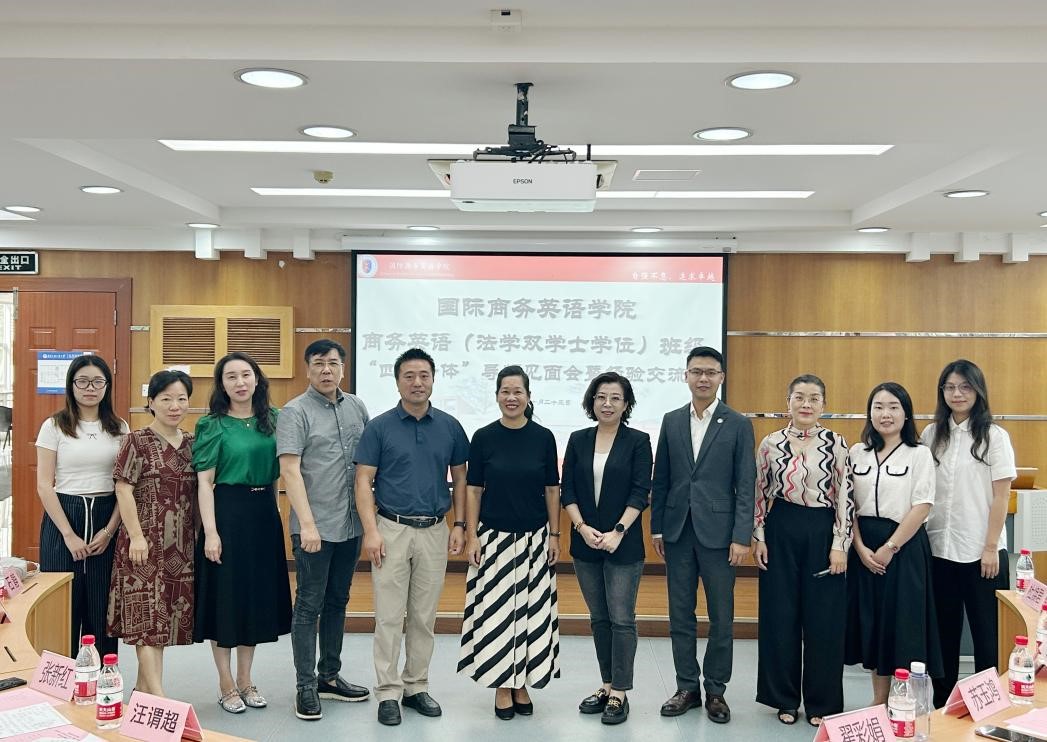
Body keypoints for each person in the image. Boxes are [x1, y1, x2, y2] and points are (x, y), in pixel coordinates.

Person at [354, 347, 469, 727]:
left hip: (435, 530)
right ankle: (388, 692)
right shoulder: (380, 427)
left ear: (433, 379)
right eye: (409, 376)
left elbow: (461, 479)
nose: (417, 382)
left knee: (423, 616)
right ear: (397, 381)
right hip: (391, 529)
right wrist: (371, 531)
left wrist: (460, 524)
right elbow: (363, 480)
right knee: (388, 616)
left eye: (424, 375)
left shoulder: (450, 426)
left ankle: (416, 686)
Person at [650, 346, 756, 724]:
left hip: (720, 535)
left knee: (721, 617)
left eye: (711, 372)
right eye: (696, 371)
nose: (703, 378)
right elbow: (662, 478)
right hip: (678, 532)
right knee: (680, 615)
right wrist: (658, 527)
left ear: (721, 377)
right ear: (686, 376)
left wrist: (741, 536)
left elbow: (746, 484)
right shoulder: (671, 420)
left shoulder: (738, 423)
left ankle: (715, 690)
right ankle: (686, 688)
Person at [458, 365, 561, 720]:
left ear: (528, 397)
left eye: (518, 391)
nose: (511, 397)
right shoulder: (483, 436)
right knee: (497, 615)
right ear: (497, 396)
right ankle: (502, 685)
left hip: (535, 539)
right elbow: (474, 490)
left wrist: (555, 535)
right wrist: (472, 535)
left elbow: (552, 489)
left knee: (532, 614)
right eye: (505, 391)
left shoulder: (543, 437)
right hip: (493, 540)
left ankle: (522, 683)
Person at [277, 339, 370, 721]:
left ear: (343, 368)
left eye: (333, 363)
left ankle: (329, 675)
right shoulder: (295, 411)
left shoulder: (357, 406)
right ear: (308, 368)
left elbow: (367, 466)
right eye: (319, 363)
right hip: (314, 528)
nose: (326, 370)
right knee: (308, 605)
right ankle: (305, 686)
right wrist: (308, 525)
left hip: (351, 525)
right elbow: (289, 470)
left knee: (338, 601)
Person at [193, 352, 292, 714]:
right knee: (226, 599)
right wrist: (211, 532)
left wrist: (277, 511)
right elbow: (205, 483)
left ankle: (246, 680)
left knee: (253, 598)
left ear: (257, 379)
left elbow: (283, 471)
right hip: (227, 514)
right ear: (221, 384)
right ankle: (225, 683)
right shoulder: (212, 425)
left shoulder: (274, 419)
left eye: (246, 375)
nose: (240, 382)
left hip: (263, 515)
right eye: (231, 376)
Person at [752, 374, 852, 727]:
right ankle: (784, 698)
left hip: (822, 530)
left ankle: (822, 703)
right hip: (780, 528)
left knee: (824, 620)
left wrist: (840, 545)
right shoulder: (770, 443)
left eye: (813, 398)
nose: (806, 404)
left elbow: (846, 497)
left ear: (824, 405)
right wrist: (759, 536)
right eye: (799, 397)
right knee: (780, 616)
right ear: (788, 402)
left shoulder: (837, 444)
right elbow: (759, 492)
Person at [921, 360, 1016, 708]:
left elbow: (1002, 496)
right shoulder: (931, 434)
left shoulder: (994, 436)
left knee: (986, 638)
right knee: (942, 635)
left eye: (964, 386)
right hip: (939, 549)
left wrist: (990, 547)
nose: (957, 393)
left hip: (981, 553)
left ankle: (987, 709)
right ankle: (943, 707)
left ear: (977, 390)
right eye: (949, 387)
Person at [561, 371, 652, 726]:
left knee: (621, 618)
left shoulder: (638, 441)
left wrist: (617, 531)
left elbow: (640, 492)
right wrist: (581, 528)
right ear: (592, 401)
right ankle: (607, 684)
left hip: (622, 545)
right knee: (599, 618)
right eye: (601, 397)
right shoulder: (578, 439)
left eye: (615, 398)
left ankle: (621, 692)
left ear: (626, 404)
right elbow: (568, 489)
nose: (607, 403)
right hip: (585, 543)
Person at [844, 382, 942, 705]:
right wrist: (859, 547)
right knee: (874, 624)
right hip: (864, 547)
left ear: (906, 413)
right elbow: (847, 504)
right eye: (878, 407)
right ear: (869, 413)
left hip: (904, 546)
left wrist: (890, 548)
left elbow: (922, 505)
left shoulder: (919, 454)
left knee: (903, 625)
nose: (885, 414)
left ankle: (905, 703)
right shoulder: (857, 452)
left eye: (893, 407)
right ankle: (879, 699)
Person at [107, 369, 196, 696]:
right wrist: (137, 536)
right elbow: (123, 489)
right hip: (141, 544)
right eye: (166, 399)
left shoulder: (192, 443)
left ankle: (142, 694)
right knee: (146, 622)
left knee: (163, 624)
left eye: (181, 399)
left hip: (180, 549)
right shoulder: (137, 440)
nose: (175, 406)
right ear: (151, 402)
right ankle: (160, 699)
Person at [36, 354, 128, 657]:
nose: (90, 388)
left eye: (98, 382)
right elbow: (44, 485)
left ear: (107, 386)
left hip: (106, 515)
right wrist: (68, 535)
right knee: (62, 606)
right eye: (83, 381)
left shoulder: (119, 427)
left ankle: (102, 679)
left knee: (101, 607)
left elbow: (125, 485)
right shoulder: (54, 426)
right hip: (64, 516)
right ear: (71, 385)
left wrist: (109, 531)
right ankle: (60, 679)